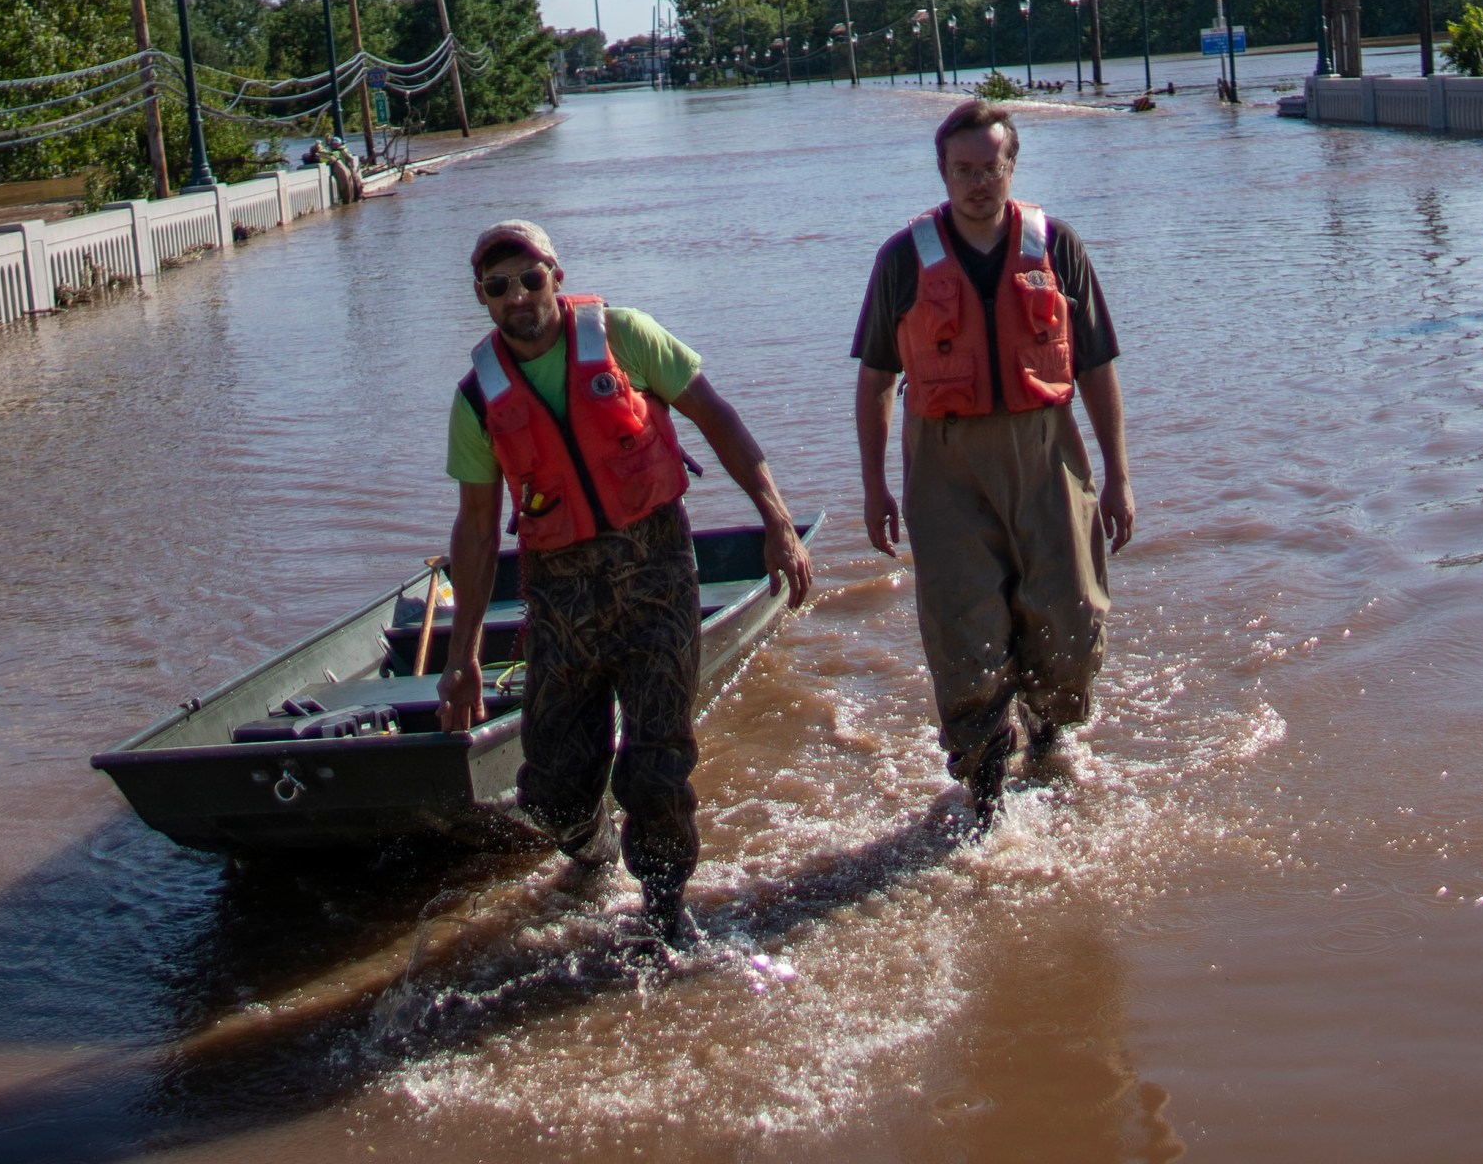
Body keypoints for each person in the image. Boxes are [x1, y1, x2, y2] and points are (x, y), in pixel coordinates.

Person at [440, 220, 811, 943]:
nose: (518, 297)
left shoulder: (626, 336)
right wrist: (461, 660)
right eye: (498, 286)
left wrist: (777, 519)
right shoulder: (477, 399)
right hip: (563, 602)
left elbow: (716, 416)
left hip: (657, 582)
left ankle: (665, 917)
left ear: (555, 272)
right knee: (550, 793)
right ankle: (594, 851)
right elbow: (478, 532)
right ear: (483, 299)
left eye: (530, 278)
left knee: (655, 773)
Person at [851, 99, 1134, 830]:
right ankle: (984, 790)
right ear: (943, 173)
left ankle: (1047, 733)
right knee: (963, 636)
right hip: (945, 468)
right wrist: (875, 485)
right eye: (963, 170)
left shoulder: (1057, 246)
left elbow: (1098, 368)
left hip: (1047, 453)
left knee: (1070, 624)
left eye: (991, 167)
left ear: (1012, 166)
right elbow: (878, 379)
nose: (978, 183)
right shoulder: (902, 259)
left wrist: (1119, 478)